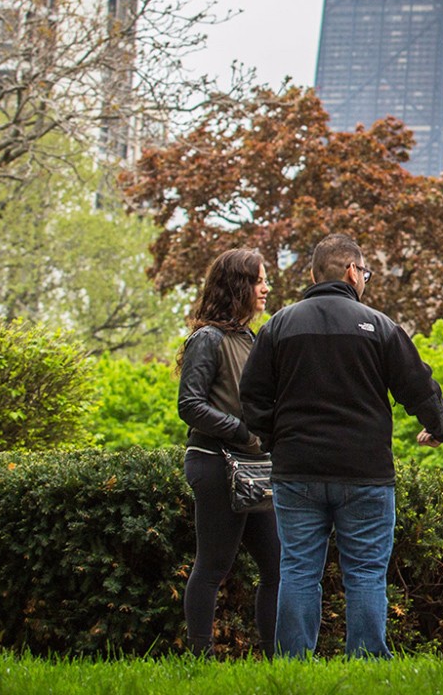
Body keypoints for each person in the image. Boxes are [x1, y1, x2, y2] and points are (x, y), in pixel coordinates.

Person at [239, 233, 443, 659]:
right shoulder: (379, 326)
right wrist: (442, 427)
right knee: (366, 574)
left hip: (297, 470)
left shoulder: (279, 327)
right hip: (365, 473)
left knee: (298, 571)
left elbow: (252, 398)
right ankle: (367, 662)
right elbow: (419, 387)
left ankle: (293, 662)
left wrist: (275, 440)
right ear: (351, 271)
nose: (365, 280)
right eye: (365, 273)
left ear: (312, 274)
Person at [176, 247, 280, 656]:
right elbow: (190, 405)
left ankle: (277, 659)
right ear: (237, 285)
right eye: (258, 280)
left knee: (277, 566)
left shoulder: (250, 338)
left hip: (254, 469)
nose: (265, 288)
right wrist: (241, 432)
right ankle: (200, 658)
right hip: (215, 464)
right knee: (213, 565)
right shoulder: (208, 338)